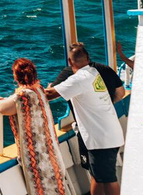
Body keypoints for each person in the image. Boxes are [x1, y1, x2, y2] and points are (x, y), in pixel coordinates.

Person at [45, 44, 124, 195]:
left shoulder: (78, 79)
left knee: (108, 180)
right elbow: (119, 92)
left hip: (101, 139)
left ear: (70, 61)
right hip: (107, 134)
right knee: (98, 177)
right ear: (88, 58)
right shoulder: (93, 72)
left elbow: (49, 95)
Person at [0, 59, 77, 195]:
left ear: (16, 77)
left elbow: (3, 108)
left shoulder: (22, 96)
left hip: (37, 158)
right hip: (51, 152)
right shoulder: (39, 90)